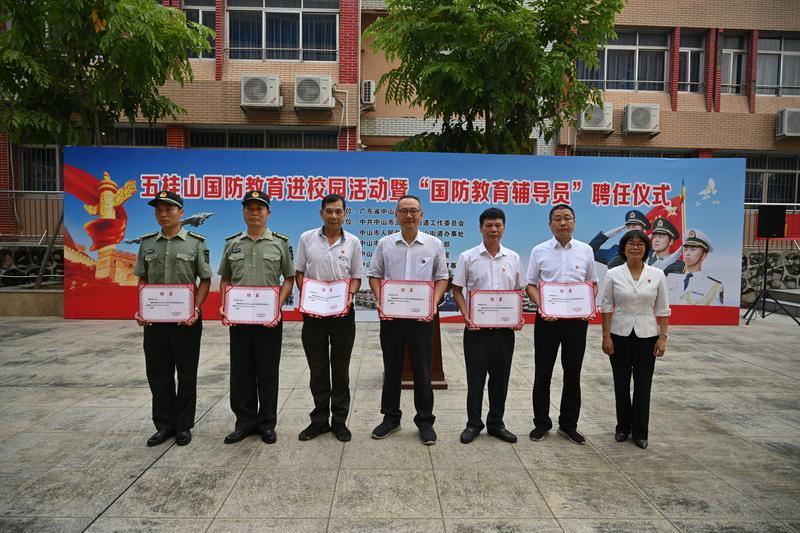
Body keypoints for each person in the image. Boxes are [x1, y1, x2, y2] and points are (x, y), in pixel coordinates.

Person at [367, 195, 449, 445]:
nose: (409, 215)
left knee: (422, 370)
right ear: (396, 215)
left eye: (414, 210)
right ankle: (391, 417)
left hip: (422, 319)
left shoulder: (434, 244)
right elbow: (374, 275)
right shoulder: (385, 243)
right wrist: (381, 299)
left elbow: (442, 278)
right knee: (392, 369)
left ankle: (425, 421)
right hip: (392, 318)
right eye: (404, 211)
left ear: (421, 214)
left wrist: (433, 304)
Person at [134, 190, 212, 447]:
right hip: (155, 322)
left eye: (169, 209)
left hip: (186, 322)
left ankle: (183, 426)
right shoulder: (147, 244)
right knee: (158, 374)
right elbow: (143, 279)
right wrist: (142, 308)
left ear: (181, 212)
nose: (163, 214)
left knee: (187, 375)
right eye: (159, 210)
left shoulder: (195, 243)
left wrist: (195, 308)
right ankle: (163, 425)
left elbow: (205, 280)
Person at [218, 190, 294, 445]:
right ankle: (244, 423)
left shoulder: (280, 243)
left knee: (268, 372)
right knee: (241, 371)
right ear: (243, 212)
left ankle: (266, 424)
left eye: (259, 208)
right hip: (239, 319)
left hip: (269, 320)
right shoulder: (232, 243)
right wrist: (225, 304)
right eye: (249, 208)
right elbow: (226, 278)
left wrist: (277, 307)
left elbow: (289, 279)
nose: (254, 213)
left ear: (268, 213)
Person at [525, 204, 598, 445]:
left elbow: (592, 284)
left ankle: (568, 425)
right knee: (542, 372)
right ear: (550, 224)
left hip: (576, 322)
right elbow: (530, 285)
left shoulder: (585, 250)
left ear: (574, 222)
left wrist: (588, 306)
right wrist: (543, 307)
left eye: (567, 218)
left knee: (573, 373)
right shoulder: (539, 251)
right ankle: (541, 423)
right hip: (547, 320)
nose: (563, 222)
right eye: (557, 219)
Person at [451, 208, 525, 444]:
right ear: (481, 228)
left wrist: (518, 316)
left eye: (498, 225)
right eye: (489, 225)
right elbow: (457, 290)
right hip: (476, 331)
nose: (493, 230)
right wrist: (466, 315)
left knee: (500, 379)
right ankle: (473, 424)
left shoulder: (513, 258)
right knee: (475, 380)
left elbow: (518, 291)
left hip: (504, 332)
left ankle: (496, 423)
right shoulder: (468, 257)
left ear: (504, 228)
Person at [294, 193, 362, 442]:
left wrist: (349, 294)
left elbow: (356, 277)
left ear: (345, 214)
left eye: (338, 211)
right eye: (329, 211)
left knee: (341, 368)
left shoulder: (353, 242)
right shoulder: (307, 238)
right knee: (318, 368)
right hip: (314, 314)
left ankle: (340, 420)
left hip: (343, 313)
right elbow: (299, 272)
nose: (334, 216)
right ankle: (319, 420)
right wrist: (308, 295)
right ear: (321, 213)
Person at [599, 230, 670, 450]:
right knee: (621, 383)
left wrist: (663, 337)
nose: (635, 247)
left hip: (647, 336)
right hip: (619, 335)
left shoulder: (657, 274)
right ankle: (622, 427)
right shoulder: (613, 274)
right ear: (623, 248)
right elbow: (606, 307)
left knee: (643, 384)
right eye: (630, 243)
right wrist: (606, 336)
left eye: (640, 243)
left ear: (646, 248)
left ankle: (640, 431)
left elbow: (663, 309)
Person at [666, 229, 724, 305]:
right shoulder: (670, 278)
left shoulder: (714, 286)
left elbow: (715, 311)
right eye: (685, 249)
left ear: (704, 255)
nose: (687, 253)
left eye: (693, 249)